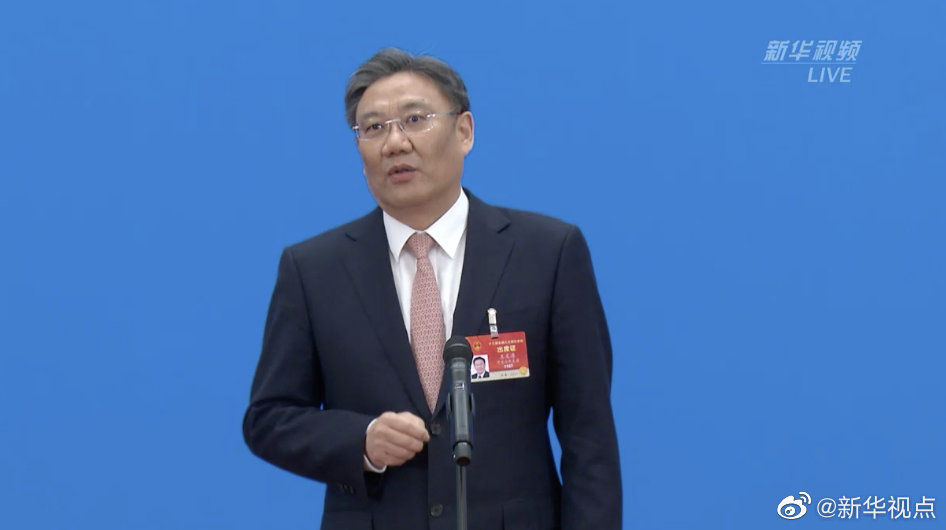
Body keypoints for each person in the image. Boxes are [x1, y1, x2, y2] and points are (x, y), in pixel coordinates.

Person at [243, 47, 622, 530]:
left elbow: (590, 436)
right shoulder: (314, 269)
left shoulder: (547, 253)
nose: (394, 143)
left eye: (414, 120)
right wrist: (361, 440)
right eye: (373, 128)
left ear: (464, 131)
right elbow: (269, 418)